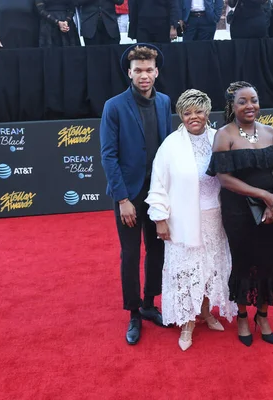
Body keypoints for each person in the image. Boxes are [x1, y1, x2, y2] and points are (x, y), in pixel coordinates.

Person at [146, 89, 237, 351]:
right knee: (186, 271)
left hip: (216, 219)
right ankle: (187, 322)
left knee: (210, 268)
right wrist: (160, 219)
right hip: (182, 221)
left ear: (207, 113)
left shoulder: (217, 138)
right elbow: (158, 184)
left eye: (198, 111)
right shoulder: (171, 145)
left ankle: (207, 313)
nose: (193, 117)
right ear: (181, 115)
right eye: (187, 113)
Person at [100, 44, 172, 345]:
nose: (144, 75)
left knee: (157, 251)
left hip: (156, 193)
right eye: (138, 70)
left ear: (156, 72)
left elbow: (167, 149)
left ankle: (148, 304)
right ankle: (133, 312)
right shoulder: (114, 106)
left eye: (149, 70)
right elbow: (108, 155)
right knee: (130, 254)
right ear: (129, 73)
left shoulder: (165, 102)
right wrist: (122, 200)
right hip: (128, 195)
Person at [208, 81, 273, 347]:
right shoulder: (224, 135)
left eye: (253, 100)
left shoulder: (270, 132)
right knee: (242, 262)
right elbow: (224, 178)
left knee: (266, 260)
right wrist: (263, 195)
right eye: (242, 101)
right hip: (238, 211)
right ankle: (242, 315)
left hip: (268, 211)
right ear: (232, 106)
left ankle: (262, 315)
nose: (250, 106)